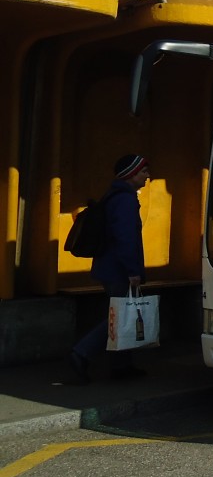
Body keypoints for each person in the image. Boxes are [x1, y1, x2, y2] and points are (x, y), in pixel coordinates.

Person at [66, 154, 151, 384]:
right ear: (131, 175)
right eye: (143, 172)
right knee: (119, 316)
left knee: (122, 314)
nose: (147, 176)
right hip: (118, 269)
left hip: (110, 266)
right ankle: (81, 354)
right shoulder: (125, 200)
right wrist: (133, 270)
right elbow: (125, 238)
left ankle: (122, 366)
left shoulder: (115, 196)